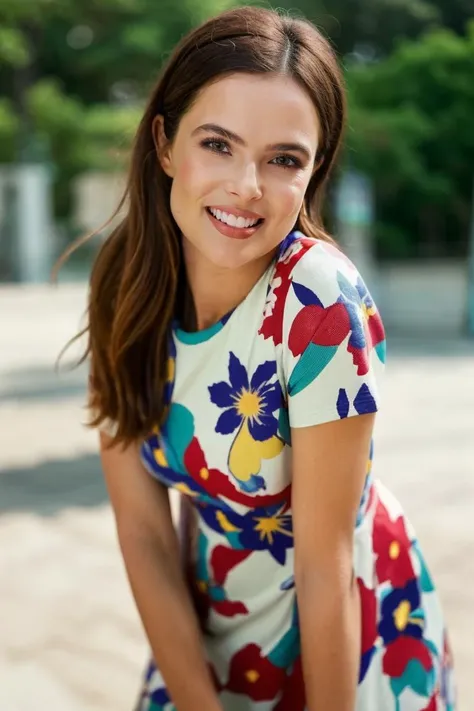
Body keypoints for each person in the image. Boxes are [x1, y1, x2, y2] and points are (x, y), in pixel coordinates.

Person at [71, 6, 456, 710]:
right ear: (164, 143)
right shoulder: (124, 281)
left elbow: (324, 561)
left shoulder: (318, 303)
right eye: (217, 144)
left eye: (284, 159)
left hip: (345, 628)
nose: (247, 185)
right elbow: (145, 530)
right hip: (210, 611)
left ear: (314, 172)